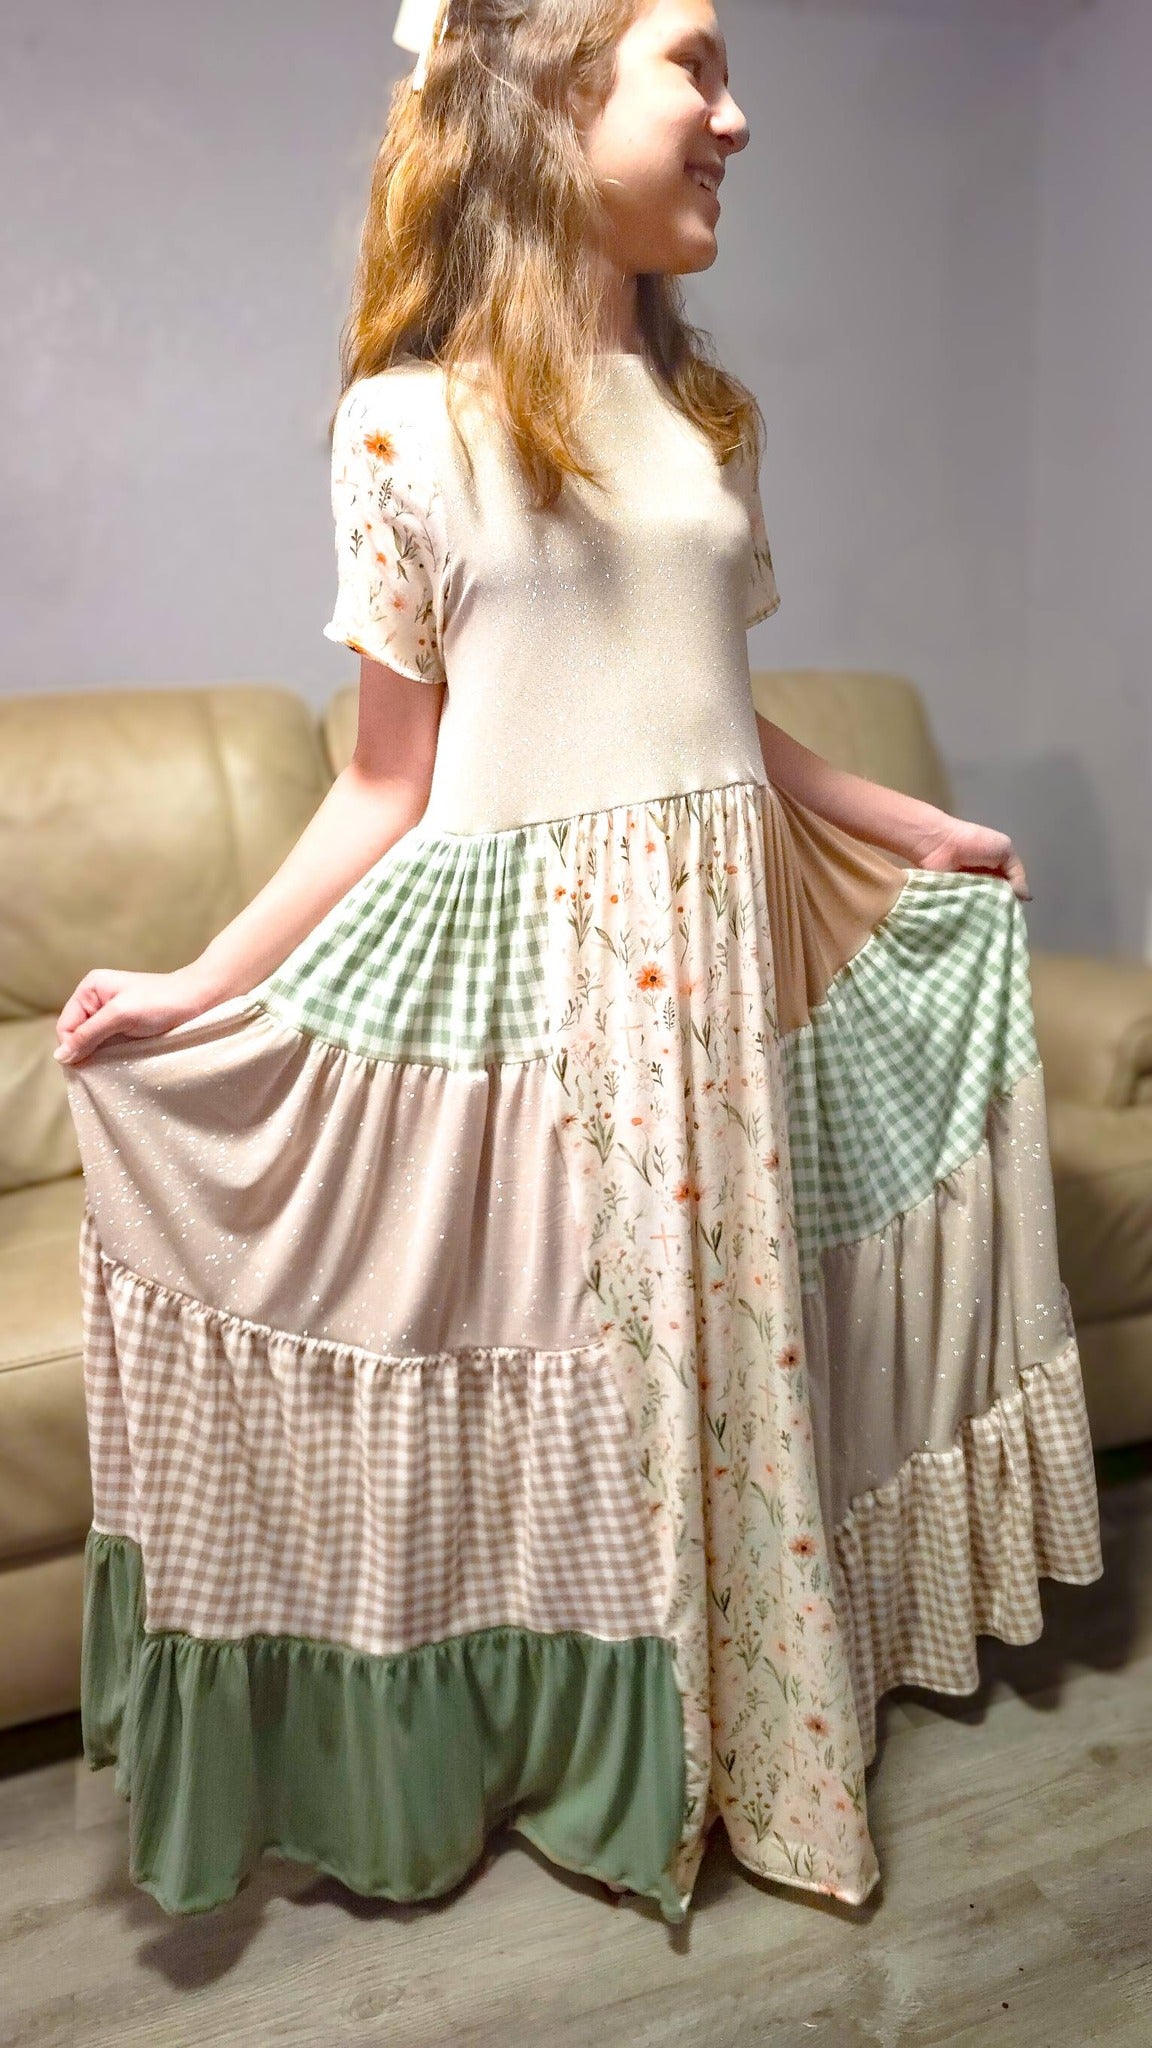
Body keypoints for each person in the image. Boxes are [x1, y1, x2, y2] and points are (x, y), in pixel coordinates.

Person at [55, 0, 1103, 1925]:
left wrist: (912, 824)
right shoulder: (404, 424)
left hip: (725, 963)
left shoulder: (713, 423)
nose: (737, 115)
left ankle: (762, 1723)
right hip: (541, 990)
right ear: (547, 100)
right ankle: (584, 1751)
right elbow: (387, 782)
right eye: (693, 64)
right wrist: (199, 988)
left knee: (744, 1366)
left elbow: (719, 712)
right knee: (567, 1392)